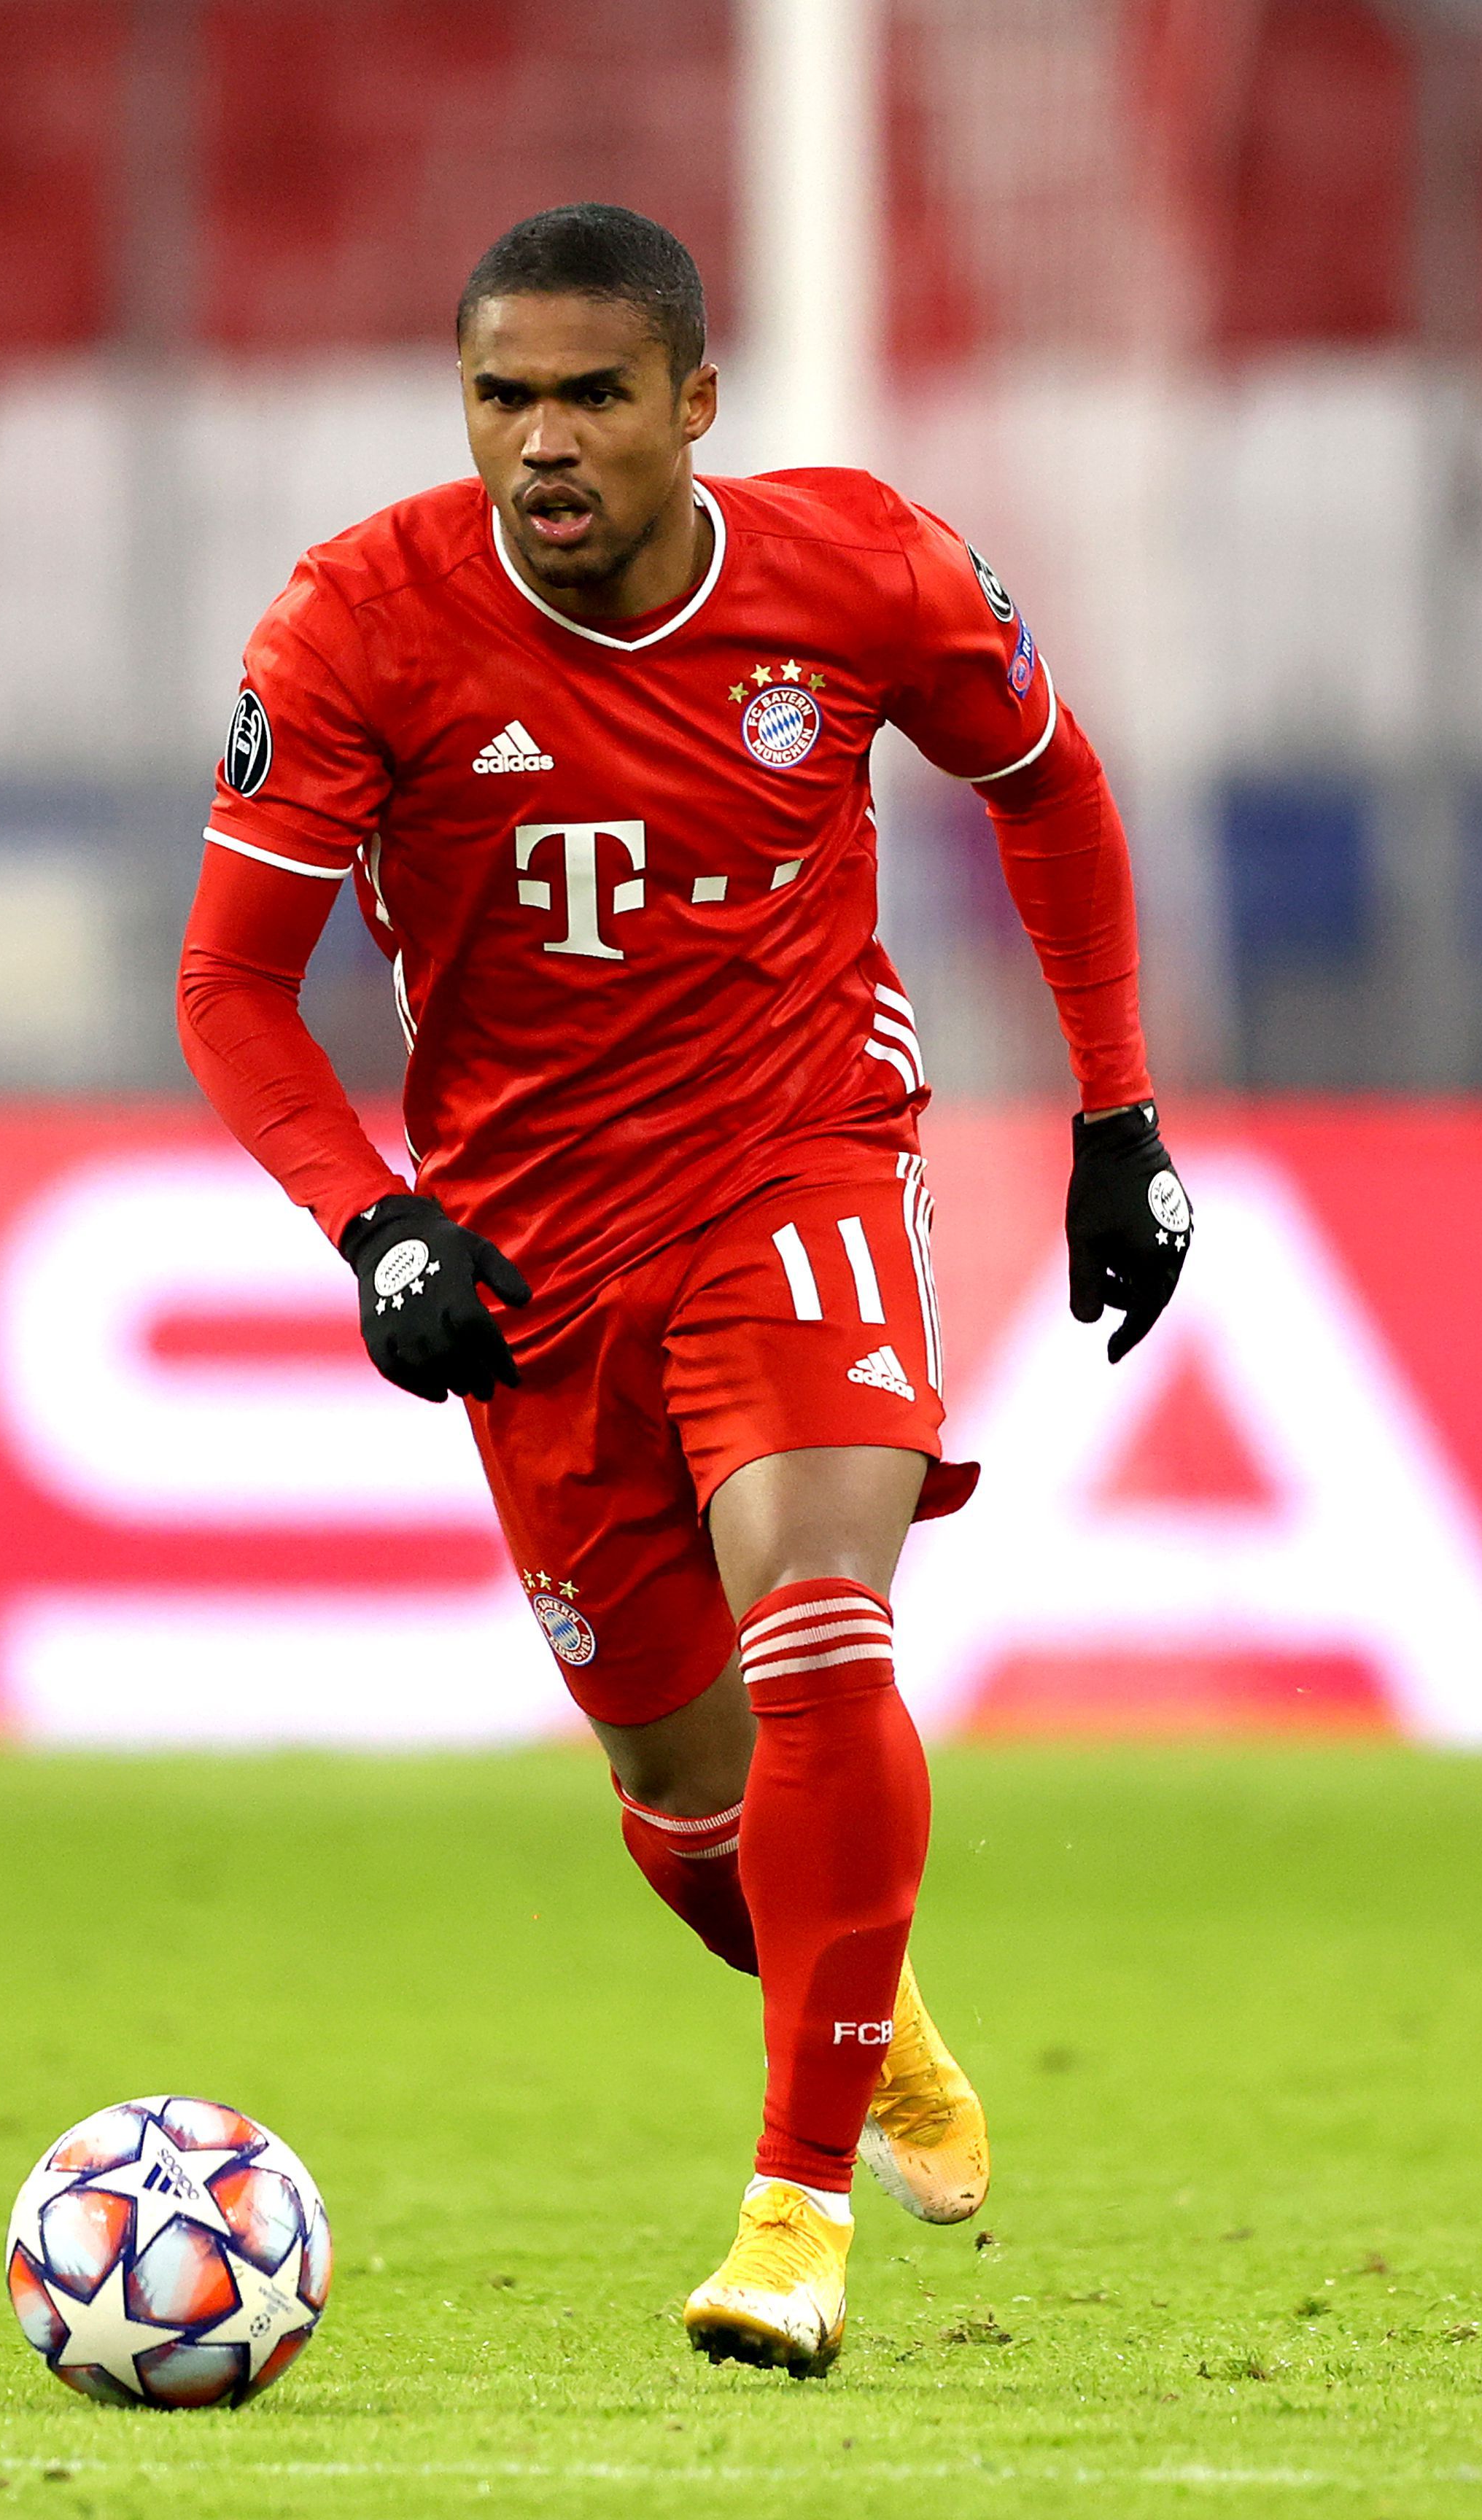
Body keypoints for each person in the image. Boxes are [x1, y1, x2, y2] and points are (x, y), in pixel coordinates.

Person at [175, 202, 1189, 2376]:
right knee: (687, 1807)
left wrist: (1117, 1117)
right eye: (503, 398)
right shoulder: (356, 626)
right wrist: (376, 1226)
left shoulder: (865, 568)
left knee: (821, 1625)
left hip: (796, 1165)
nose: (544, 442)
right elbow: (230, 989)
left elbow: (1051, 788)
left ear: (696, 403)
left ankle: (791, 2221)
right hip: (530, 1250)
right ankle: (870, 2011)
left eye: (593, 397)